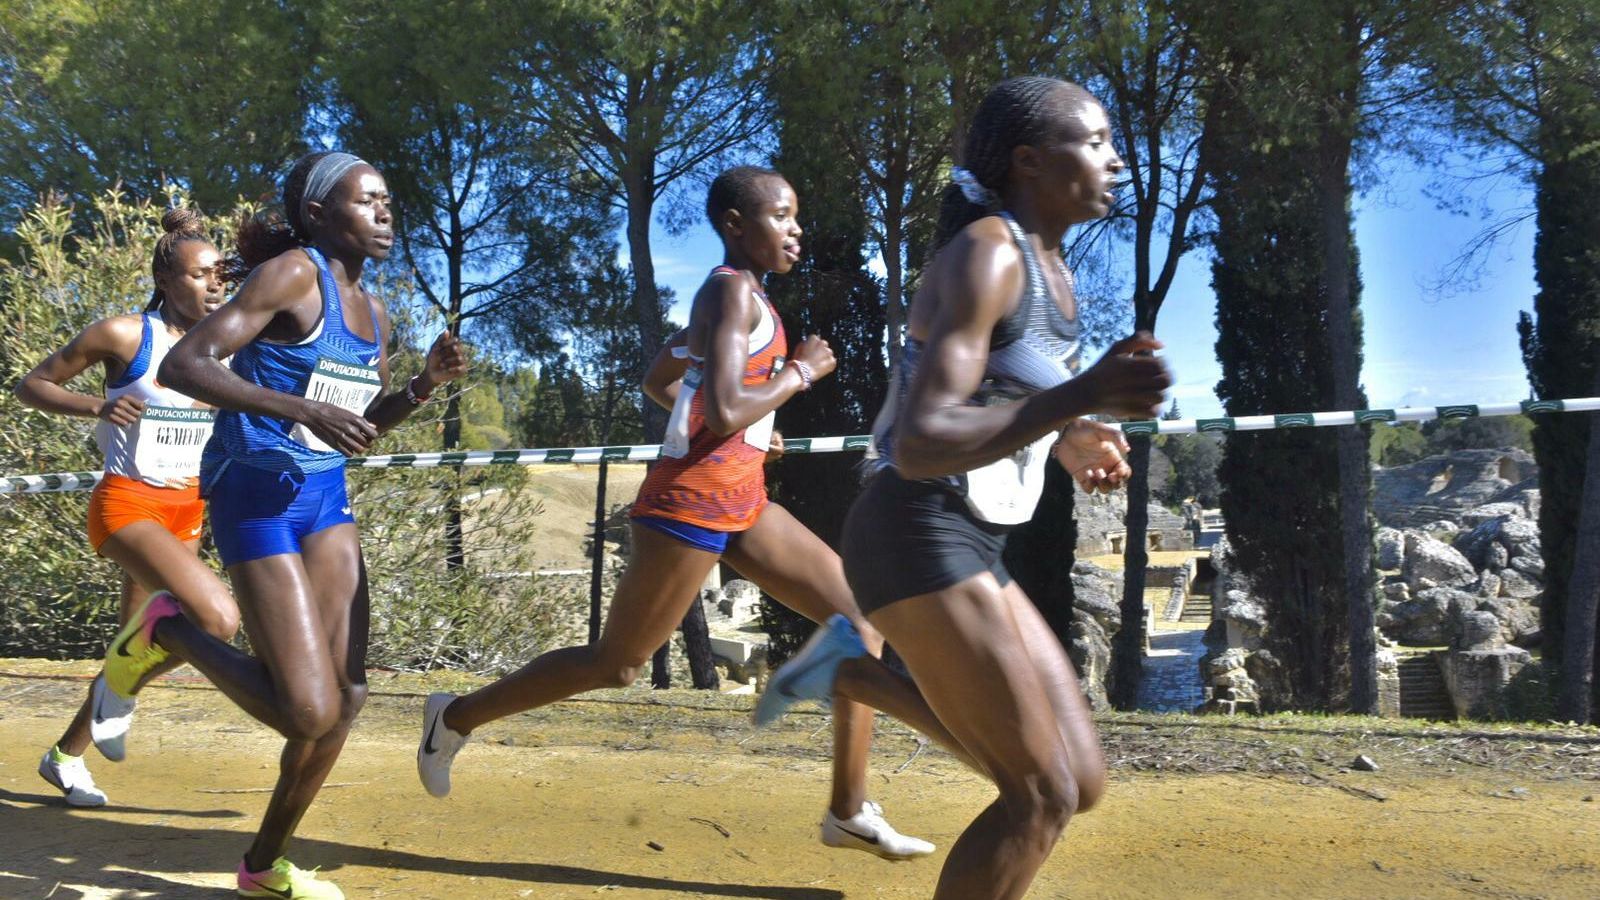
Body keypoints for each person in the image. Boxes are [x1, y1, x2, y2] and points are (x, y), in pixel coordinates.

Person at [416, 166, 963, 860]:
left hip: (740, 502)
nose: (796, 229)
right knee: (617, 665)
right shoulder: (728, 294)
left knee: (856, 619)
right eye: (782, 216)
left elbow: (663, 379)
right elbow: (730, 406)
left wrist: (757, 429)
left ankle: (849, 808)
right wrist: (798, 376)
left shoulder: (740, 299)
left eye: (798, 216)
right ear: (737, 225)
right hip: (689, 505)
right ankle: (454, 716)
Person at [762, 78, 1172, 899]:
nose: (1115, 159)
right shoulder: (988, 252)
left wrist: (1069, 436)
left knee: (1078, 782)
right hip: (916, 530)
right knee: (1039, 794)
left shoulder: (1048, 267)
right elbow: (918, 441)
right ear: (1029, 161)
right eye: (1093, 142)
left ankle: (852, 672)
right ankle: (854, 671)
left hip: (970, 536)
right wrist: (1079, 396)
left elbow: (1001, 401)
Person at [109, 151, 466, 899]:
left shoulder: (375, 311)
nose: (384, 211)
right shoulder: (292, 275)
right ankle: (166, 631)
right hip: (256, 491)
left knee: (350, 697)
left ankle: (262, 866)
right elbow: (186, 366)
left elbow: (359, 425)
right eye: (366, 200)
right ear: (316, 214)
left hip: (323, 496)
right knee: (306, 709)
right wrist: (301, 409)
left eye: (388, 199)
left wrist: (422, 387)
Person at [14, 208, 239, 807]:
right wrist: (96, 407)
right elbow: (30, 385)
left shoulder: (228, 347)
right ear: (167, 280)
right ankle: (119, 693)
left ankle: (64, 757)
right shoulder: (124, 335)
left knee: (134, 644)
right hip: (126, 504)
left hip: (187, 511)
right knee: (211, 621)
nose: (215, 285)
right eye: (200, 275)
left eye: (221, 274)